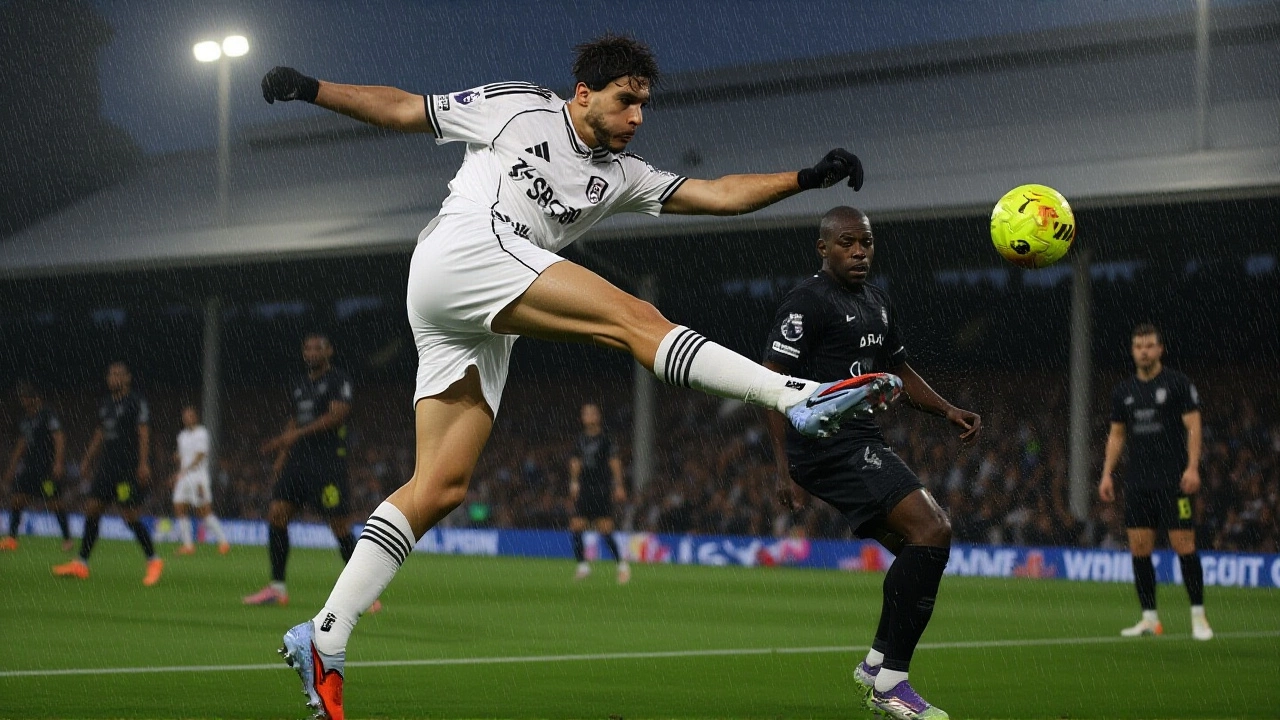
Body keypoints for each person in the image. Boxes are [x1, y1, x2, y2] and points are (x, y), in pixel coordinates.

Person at [263, 35, 897, 719]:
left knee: (441, 485)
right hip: (462, 251)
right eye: (627, 101)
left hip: (481, 308)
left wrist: (806, 179)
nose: (638, 118)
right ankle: (793, 396)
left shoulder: (621, 175)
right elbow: (405, 110)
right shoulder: (518, 108)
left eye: (645, 105)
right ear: (586, 94)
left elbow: (717, 194)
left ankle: (325, 634)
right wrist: (310, 88)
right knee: (631, 317)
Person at [763, 207, 981, 720]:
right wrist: (784, 469)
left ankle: (877, 665)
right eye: (846, 243)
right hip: (825, 445)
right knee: (933, 530)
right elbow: (769, 384)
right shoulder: (807, 303)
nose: (859, 251)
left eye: (866, 242)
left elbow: (898, 369)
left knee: (918, 547)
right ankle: (891, 681)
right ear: (823, 248)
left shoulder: (877, 303)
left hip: (859, 439)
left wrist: (946, 410)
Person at [243, 334, 378, 613]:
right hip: (299, 462)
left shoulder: (338, 380)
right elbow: (294, 419)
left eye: (318, 348)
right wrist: (283, 454)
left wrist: (292, 437)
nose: (311, 352)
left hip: (327, 462)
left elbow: (336, 416)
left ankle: (365, 593)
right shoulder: (301, 384)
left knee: (339, 526)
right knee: (277, 515)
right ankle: (277, 588)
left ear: (330, 351)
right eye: (307, 347)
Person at [1099, 323, 1212, 641]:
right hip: (1138, 482)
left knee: (1184, 545)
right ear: (1133, 351)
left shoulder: (1178, 384)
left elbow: (1194, 426)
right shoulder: (1124, 391)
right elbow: (1117, 435)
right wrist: (1107, 473)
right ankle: (1150, 618)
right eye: (1138, 346)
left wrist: (1192, 467)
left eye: (1149, 345)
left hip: (1174, 480)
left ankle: (1199, 616)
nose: (1143, 351)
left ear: (1160, 349)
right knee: (1139, 549)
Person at [53, 362, 164, 586]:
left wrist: (143, 463)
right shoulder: (106, 405)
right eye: (111, 374)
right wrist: (86, 459)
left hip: (128, 468)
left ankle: (153, 560)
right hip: (107, 467)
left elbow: (143, 432)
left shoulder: (136, 402)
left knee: (130, 516)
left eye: (118, 374)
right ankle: (81, 563)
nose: (113, 378)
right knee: (92, 510)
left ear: (127, 378)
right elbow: (100, 433)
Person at [1, 382, 72, 552]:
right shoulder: (26, 419)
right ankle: (11, 538)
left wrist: (58, 462)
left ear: (35, 398)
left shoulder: (47, 415)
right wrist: (12, 466)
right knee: (17, 500)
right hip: (30, 467)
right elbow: (22, 443)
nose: (23, 401)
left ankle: (67, 538)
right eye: (22, 398)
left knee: (55, 503)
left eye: (26, 398)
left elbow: (59, 437)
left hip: (46, 468)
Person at [568, 403, 629, 583]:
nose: (589, 416)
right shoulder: (580, 440)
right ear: (582, 418)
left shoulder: (606, 439)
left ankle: (622, 566)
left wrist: (619, 485)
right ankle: (583, 566)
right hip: (585, 488)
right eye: (586, 413)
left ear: (598, 417)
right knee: (576, 526)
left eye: (592, 413)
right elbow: (575, 462)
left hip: (601, 488)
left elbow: (614, 462)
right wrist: (574, 483)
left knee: (605, 530)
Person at [170, 405, 230, 555]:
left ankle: (223, 541)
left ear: (195, 417)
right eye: (184, 416)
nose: (186, 418)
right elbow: (183, 455)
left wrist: (184, 470)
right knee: (179, 507)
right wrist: (177, 458)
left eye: (189, 416)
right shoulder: (182, 436)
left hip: (198, 478)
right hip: (184, 477)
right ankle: (188, 545)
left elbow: (200, 455)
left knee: (204, 512)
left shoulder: (202, 433)